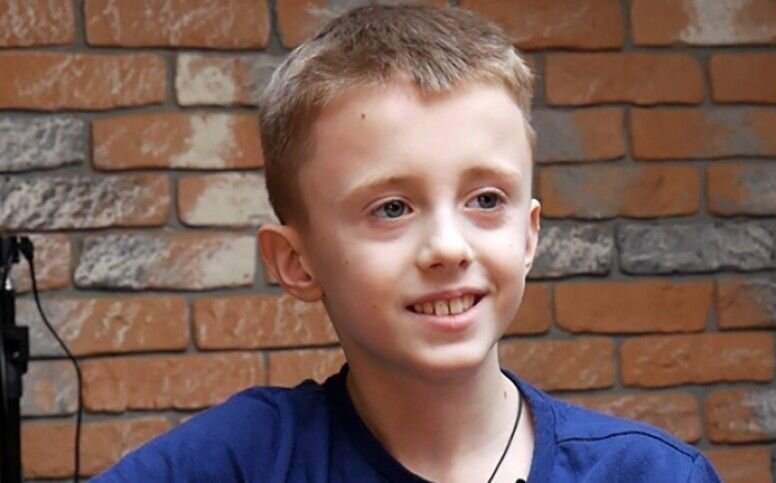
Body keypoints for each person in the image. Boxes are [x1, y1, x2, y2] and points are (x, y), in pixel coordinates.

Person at [93, 5, 721, 482]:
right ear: (296, 263)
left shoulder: (652, 474)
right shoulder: (243, 461)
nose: (448, 247)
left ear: (529, 234)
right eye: (392, 208)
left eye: (486, 200)